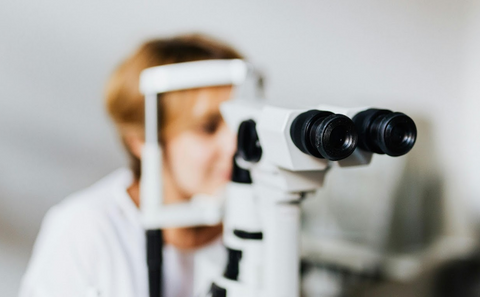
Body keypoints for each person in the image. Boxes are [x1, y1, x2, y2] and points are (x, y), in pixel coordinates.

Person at [19, 33, 243, 297]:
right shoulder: (87, 231)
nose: (234, 145)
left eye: (241, 123)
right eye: (208, 127)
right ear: (142, 140)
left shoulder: (265, 225)